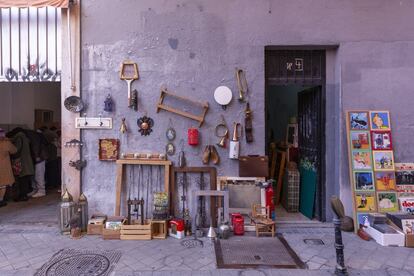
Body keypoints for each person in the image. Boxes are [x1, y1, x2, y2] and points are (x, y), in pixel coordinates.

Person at [7, 129, 34, 201]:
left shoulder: (19, 138)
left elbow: (16, 150)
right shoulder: (24, 137)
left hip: (22, 161)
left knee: (22, 179)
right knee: (25, 179)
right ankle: (24, 195)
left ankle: (22, 196)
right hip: (27, 161)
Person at [0, 128, 17, 207]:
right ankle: (1, 200)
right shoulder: (6, 143)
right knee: (3, 184)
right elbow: (14, 150)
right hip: (3, 166)